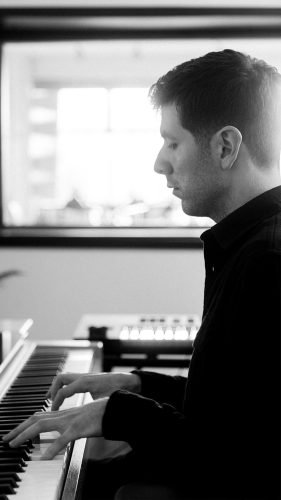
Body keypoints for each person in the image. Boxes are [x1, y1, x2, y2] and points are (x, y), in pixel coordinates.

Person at [3, 49, 281, 500]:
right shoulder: (247, 244)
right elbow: (234, 407)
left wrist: (121, 413)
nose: (159, 163)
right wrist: (135, 383)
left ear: (226, 146)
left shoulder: (265, 261)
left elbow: (239, 459)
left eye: (172, 143)